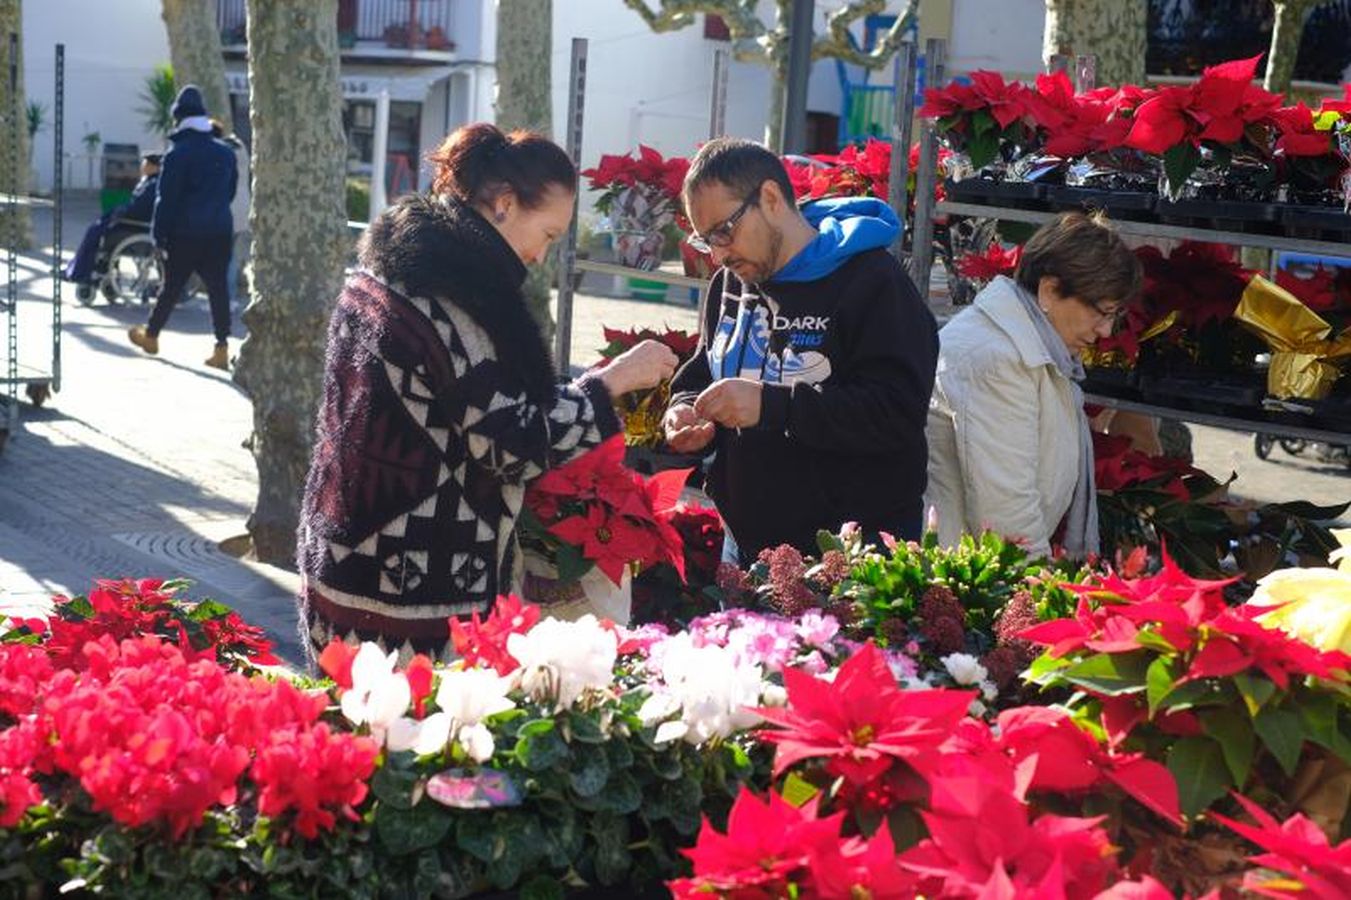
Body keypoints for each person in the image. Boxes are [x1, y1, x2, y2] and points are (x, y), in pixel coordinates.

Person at [296, 122, 676, 661]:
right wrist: (609, 384)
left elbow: (462, 409)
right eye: (546, 234)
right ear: (503, 203)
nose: (542, 256)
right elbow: (513, 444)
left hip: (339, 562)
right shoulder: (456, 303)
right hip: (410, 605)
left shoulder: (387, 270)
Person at [662, 137, 938, 563]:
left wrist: (773, 407)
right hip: (747, 547)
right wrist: (683, 410)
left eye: (724, 231)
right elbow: (705, 370)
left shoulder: (873, 282)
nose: (717, 255)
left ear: (770, 198)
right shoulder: (731, 284)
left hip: (852, 557)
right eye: (705, 241)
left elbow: (896, 411)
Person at [925, 211, 1143, 560]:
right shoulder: (997, 358)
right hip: (961, 575)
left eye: (1113, 316)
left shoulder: (1030, 345)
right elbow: (1005, 509)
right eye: (1102, 312)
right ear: (1050, 290)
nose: (1106, 331)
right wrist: (1037, 598)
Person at [127, 85, 237, 370]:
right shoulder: (226, 153)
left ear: (179, 120)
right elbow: (231, 192)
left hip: (185, 232)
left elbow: (166, 200)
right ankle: (221, 348)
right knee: (218, 290)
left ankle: (151, 336)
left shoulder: (177, 154)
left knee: (171, 286)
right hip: (219, 230)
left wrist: (158, 235)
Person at [63, 154, 160, 290]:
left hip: (133, 225)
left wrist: (121, 212)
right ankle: (76, 270)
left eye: (145, 163)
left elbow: (140, 209)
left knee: (95, 232)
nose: (142, 166)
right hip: (129, 220)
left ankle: (80, 272)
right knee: (94, 229)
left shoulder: (154, 184)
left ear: (154, 167)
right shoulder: (149, 182)